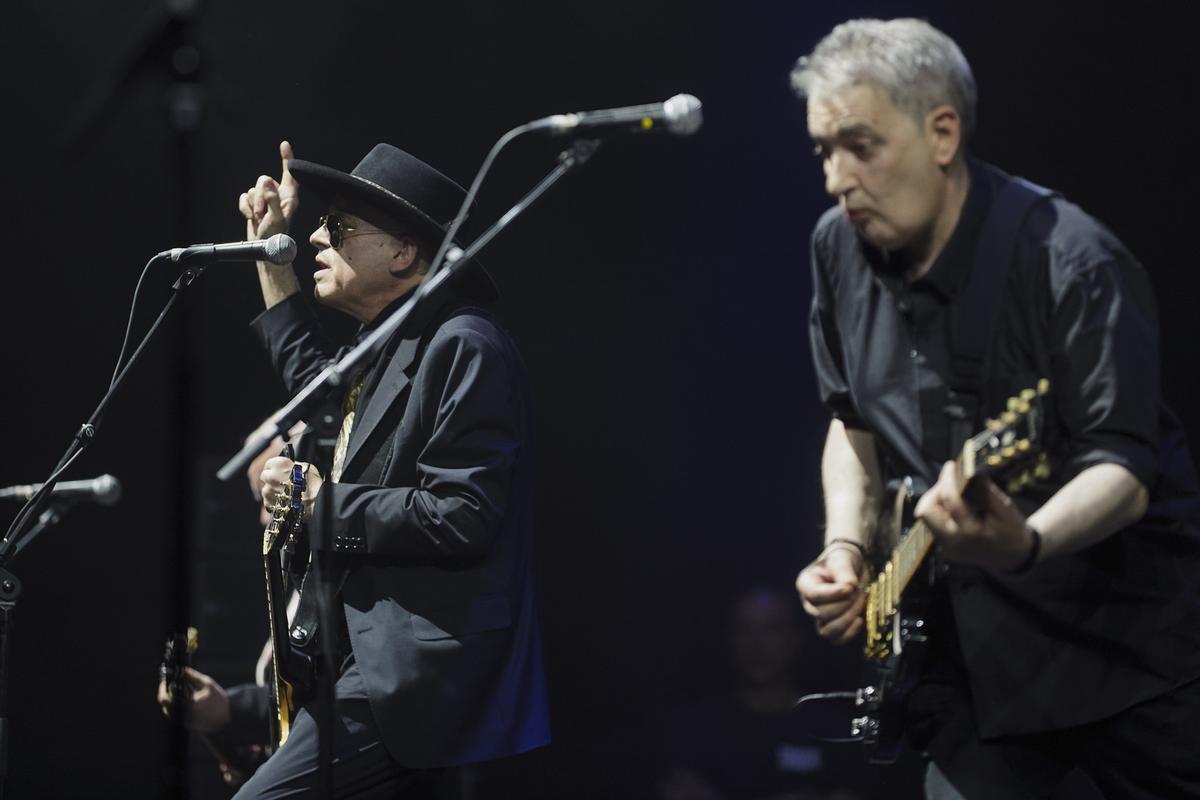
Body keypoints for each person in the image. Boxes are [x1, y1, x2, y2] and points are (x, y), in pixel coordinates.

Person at [790, 18, 1200, 799]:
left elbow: (1123, 463)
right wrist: (845, 545)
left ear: (942, 133)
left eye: (860, 146)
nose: (836, 179)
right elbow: (852, 420)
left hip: (1125, 667)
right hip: (968, 676)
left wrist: (1027, 542)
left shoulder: (1071, 259)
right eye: (823, 151)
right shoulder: (834, 249)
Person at [231, 140, 549, 797]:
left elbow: (464, 515)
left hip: (415, 674)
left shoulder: (463, 344)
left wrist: (323, 505)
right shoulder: (389, 343)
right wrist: (271, 253)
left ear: (404, 253)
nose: (316, 235)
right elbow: (313, 384)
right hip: (357, 661)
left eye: (340, 227)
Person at [656, 586, 881, 800]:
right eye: (745, 629)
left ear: (796, 639)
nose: (757, 644)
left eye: (772, 628)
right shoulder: (698, 727)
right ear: (730, 639)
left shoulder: (832, 727)